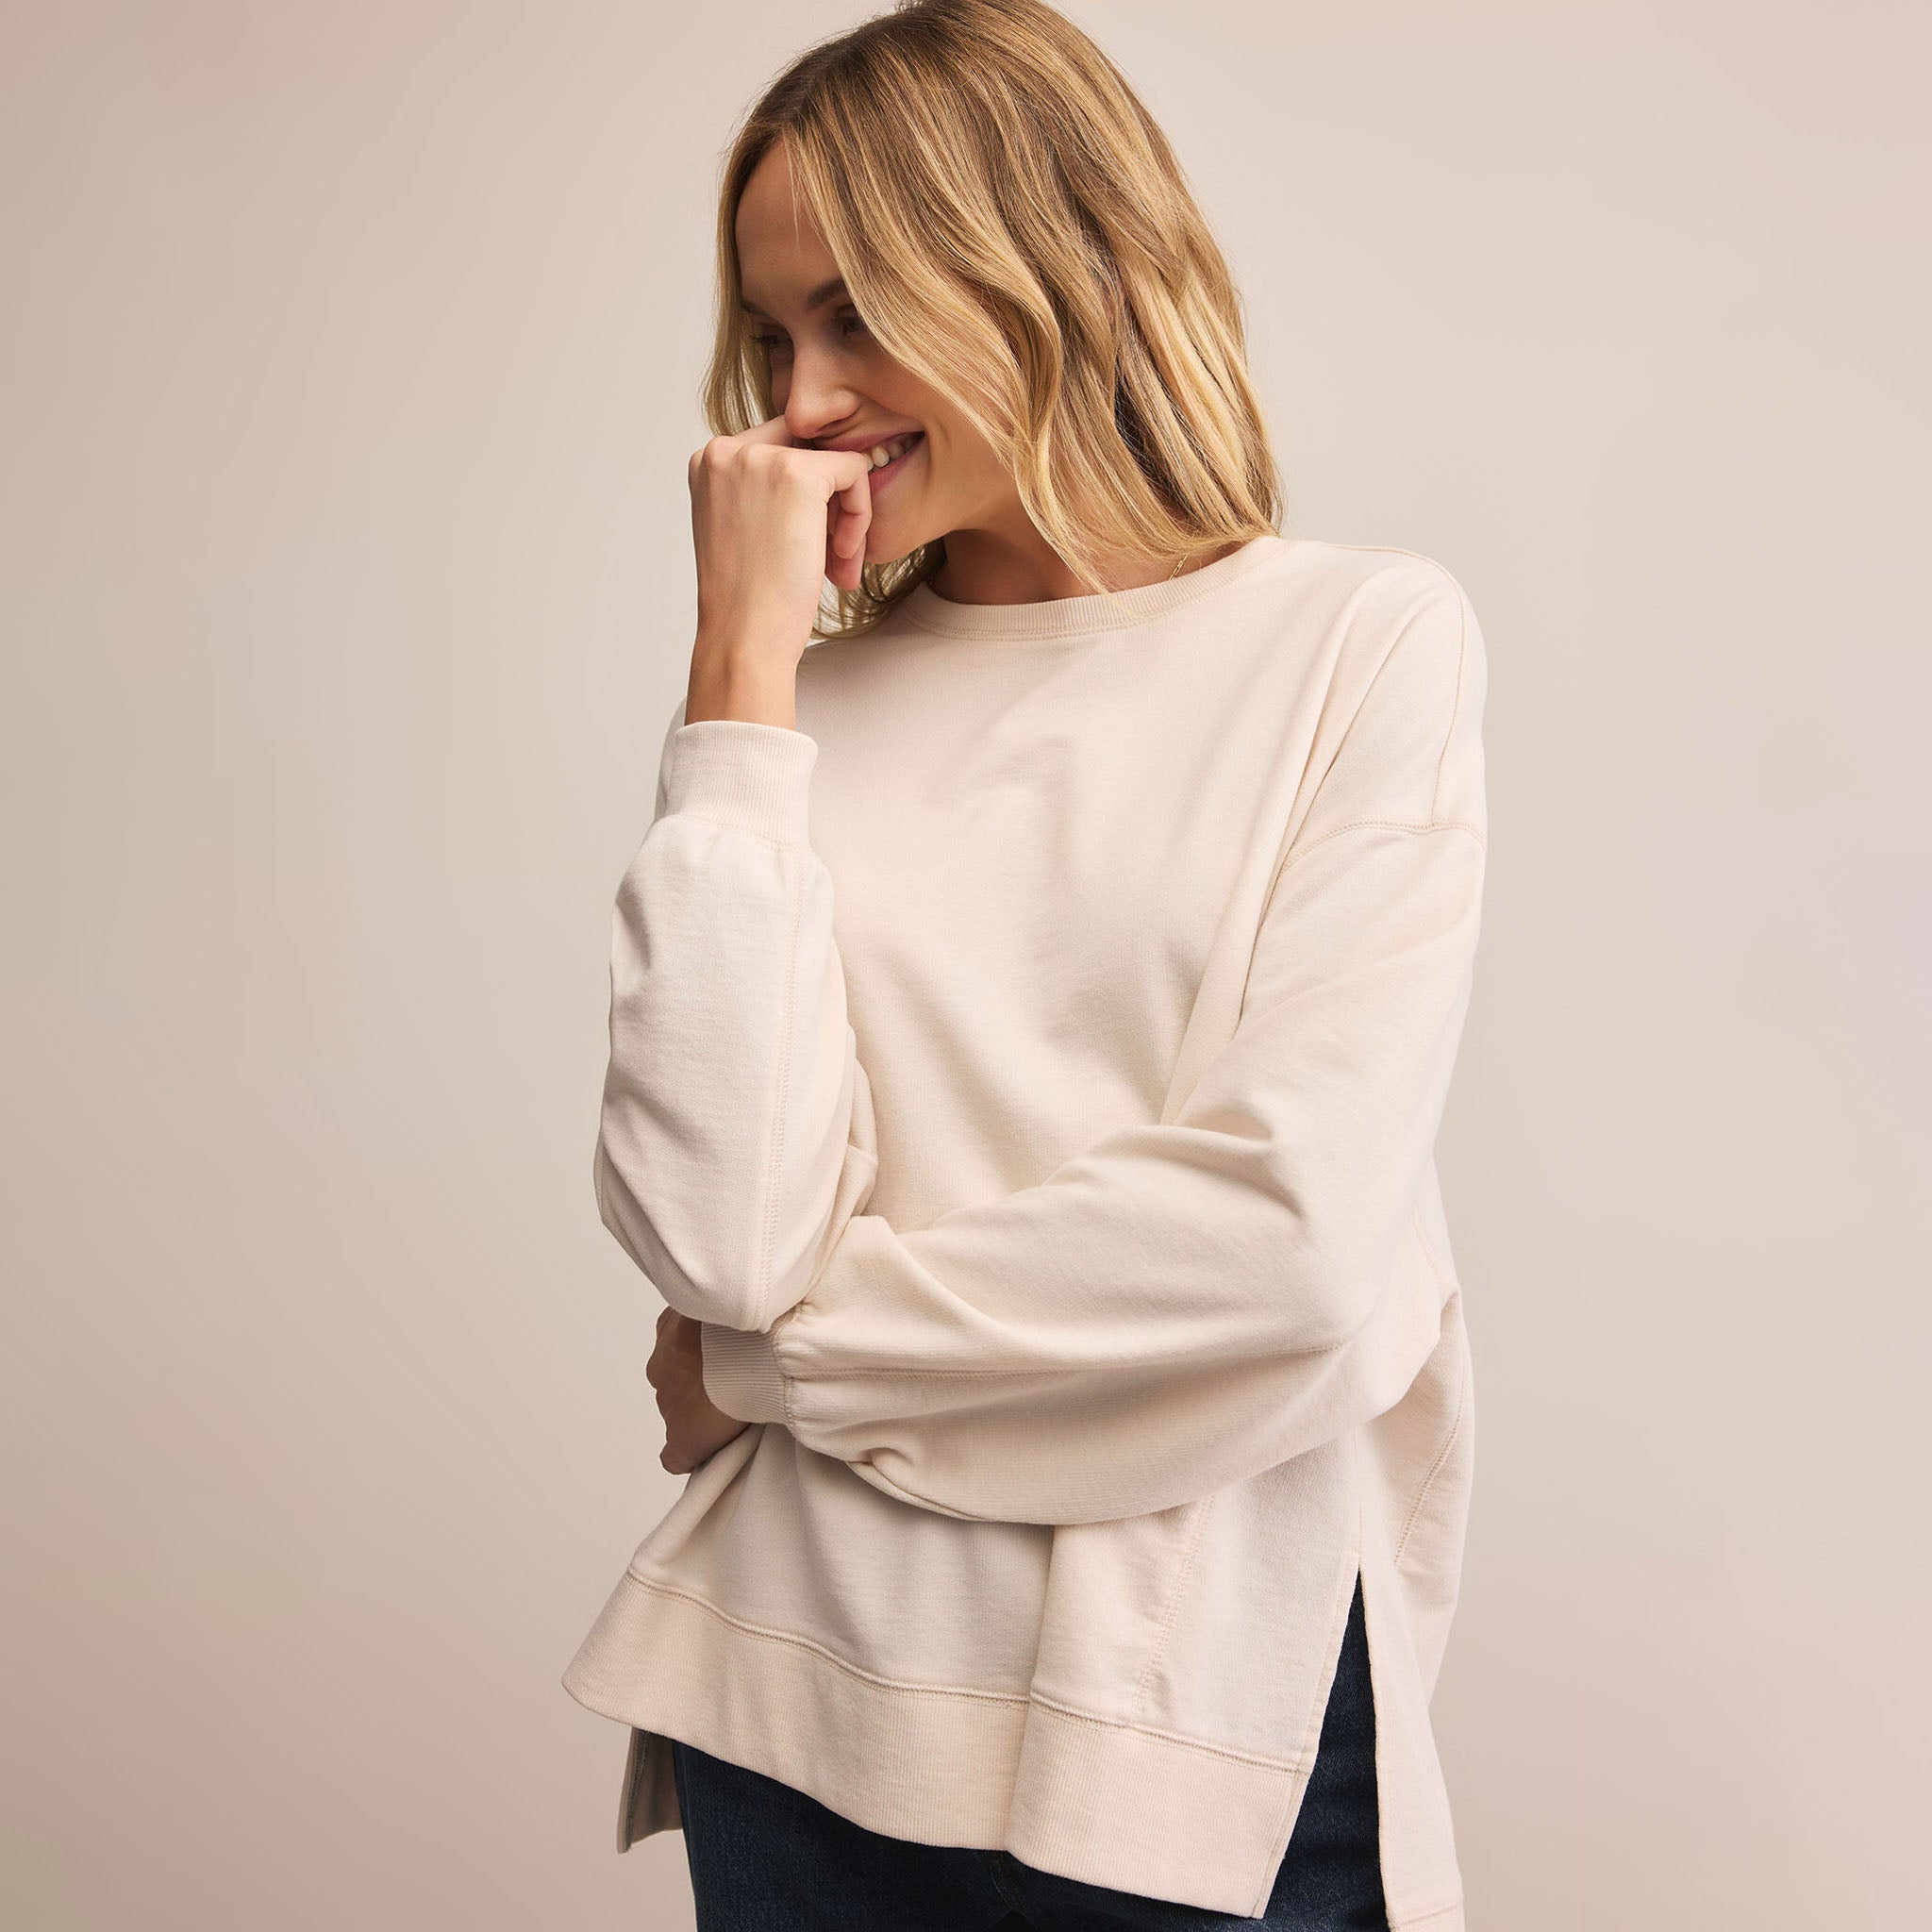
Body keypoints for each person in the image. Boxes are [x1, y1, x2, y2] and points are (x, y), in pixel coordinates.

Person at [562, 3, 1489, 1926]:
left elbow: (1281, 1241)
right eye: (773, 332)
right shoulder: (788, 724)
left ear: (1050, 272)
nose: (802, 398)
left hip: (1179, 1713)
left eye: (857, 314)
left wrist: (772, 1363)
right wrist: (738, 678)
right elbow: (718, 1227)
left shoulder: (1356, 645)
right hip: (795, 1687)